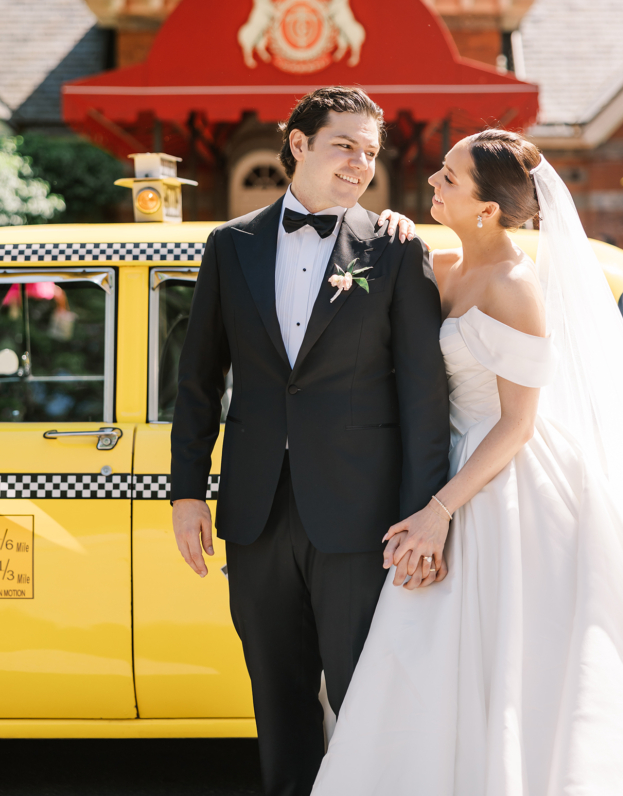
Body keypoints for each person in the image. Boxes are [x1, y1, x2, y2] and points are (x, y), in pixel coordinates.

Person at [313, 130, 623, 796]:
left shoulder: (516, 286)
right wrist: (386, 231)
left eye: (449, 179)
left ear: (487, 209)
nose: (432, 183)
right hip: (454, 465)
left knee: (513, 661)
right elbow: (369, 282)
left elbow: (518, 423)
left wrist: (437, 512)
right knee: (430, 659)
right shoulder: (452, 265)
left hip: (509, 481)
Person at [169, 86, 451, 796]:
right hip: (255, 514)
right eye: (344, 146)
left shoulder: (392, 249)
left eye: (370, 151)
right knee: (278, 696)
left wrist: (424, 518)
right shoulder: (228, 247)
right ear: (298, 144)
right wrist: (185, 493)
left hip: (363, 518)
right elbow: (199, 380)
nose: (361, 164)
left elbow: (423, 396)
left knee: (366, 696)